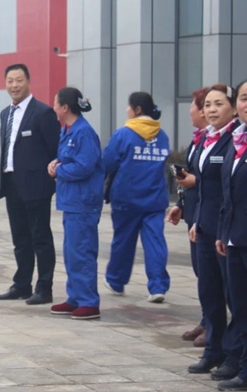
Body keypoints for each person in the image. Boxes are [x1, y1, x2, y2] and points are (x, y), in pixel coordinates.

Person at [186, 84, 241, 378]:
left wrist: (222, 228)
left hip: (226, 230)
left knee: (233, 295)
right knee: (209, 292)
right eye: (207, 105)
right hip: (205, 226)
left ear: (232, 107)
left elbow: (227, 190)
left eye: (218, 104)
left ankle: (235, 354)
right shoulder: (206, 138)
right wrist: (195, 219)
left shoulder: (235, 139)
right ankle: (214, 349)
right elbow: (203, 188)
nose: (211, 110)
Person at [0, 63, 61, 305]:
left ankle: (44, 288)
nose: (14, 85)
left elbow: (55, 150)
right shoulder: (5, 113)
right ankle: (22, 284)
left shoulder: (42, 113)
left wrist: (50, 179)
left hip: (36, 186)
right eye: (10, 81)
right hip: (11, 182)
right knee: (20, 238)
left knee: (40, 238)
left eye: (19, 80)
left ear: (28, 81)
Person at [103, 92, 170, 302]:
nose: (127, 110)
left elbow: (107, 162)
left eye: (129, 106)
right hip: (155, 199)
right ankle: (158, 287)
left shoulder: (123, 134)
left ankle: (116, 281)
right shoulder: (162, 135)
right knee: (155, 242)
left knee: (123, 241)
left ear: (137, 110)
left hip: (126, 199)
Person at [47, 87, 104, 320]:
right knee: (71, 252)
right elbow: (69, 159)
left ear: (65, 107)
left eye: (55, 102)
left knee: (82, 250)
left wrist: (59, 170)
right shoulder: (68, 130)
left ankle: (89, 301)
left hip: (83, 202)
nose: (53, 106)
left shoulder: (84, 132)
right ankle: (75, 297)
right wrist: (56, 163)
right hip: (71, 201)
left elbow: (84, 166)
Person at [166, 87, 209, 347]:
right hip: (194, 213)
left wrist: (195, 181)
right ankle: (207, 319)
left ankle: (215, 325)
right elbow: (191, 174)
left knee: (212, 274)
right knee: (200, 270)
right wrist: (180, 204)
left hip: (210, 216)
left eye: (194, 105)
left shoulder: (218, 141)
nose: (190, 110)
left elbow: (213, 179)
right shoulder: (198, 139)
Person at [216, 78, 247, 390]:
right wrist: (223, 232)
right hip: (235, 237)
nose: (246, 104)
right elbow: (229, 194)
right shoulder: (237, 141)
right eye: (243, 98)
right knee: (240, 306)